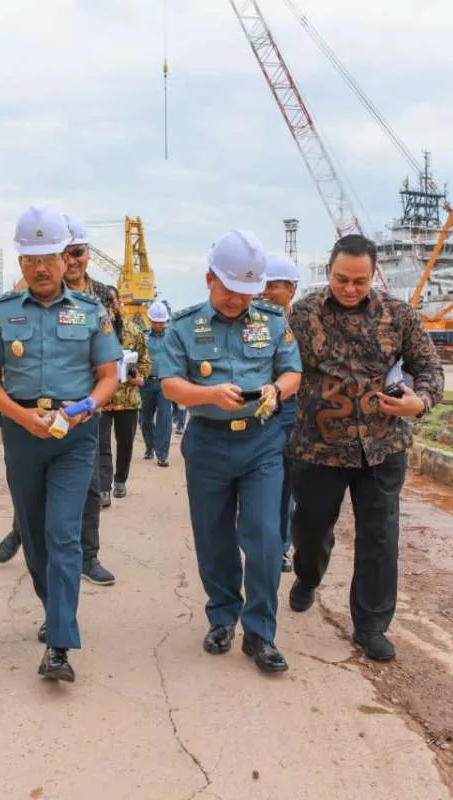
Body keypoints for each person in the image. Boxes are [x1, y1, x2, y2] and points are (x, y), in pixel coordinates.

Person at [0, 204, 121, 682]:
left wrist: (83, 409)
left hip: (73, 435)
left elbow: (108, 376)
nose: (41, 267)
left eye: (49, 256)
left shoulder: (92, 312)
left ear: (65, 257)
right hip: (22, 433)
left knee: (63, 534)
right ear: (21, 262)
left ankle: (60, 642)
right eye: (30, 258)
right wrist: (20, 417)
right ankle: (51, 604)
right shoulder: (1, 314)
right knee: (35, 537)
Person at [286, 234, 444, 662]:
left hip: (382, 446)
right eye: (341, 279)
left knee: (380, 535)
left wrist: (420, 401)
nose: (350, 289)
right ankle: (308, 575)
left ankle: (371, 625)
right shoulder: (303, 315)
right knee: (312, 527)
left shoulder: (398, 316)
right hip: (318, 448)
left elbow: (428, 367)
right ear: (329, 271)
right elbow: (281, 367)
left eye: (359, 280)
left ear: (373, 275)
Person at [157, 229, 302, 674]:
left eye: (246, 292)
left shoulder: (273, 321)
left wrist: (276, 390)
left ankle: (261, 633)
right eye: (230, 290)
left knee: (264, 536)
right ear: (209, 280)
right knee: (213, 535)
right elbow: (169, 383)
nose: (239, 300)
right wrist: (208, 395)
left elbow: (292, 371)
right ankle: (222, 615)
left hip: (261, 443)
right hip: (208, 443)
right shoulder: (183, 326)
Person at [0, 214, 119, 587]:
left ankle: (88, 555)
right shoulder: (26, 286)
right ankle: (23, 531)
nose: (74, 259)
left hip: (87, 405)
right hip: (31, 411)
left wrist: (91, 403)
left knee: (87, 485)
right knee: (31, 487)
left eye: (77, 252)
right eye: (69, 252)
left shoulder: (103, 297)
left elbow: (113, 355)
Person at [260, 255, 300, 572]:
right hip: (257, 411)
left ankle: (282, 547)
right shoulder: (254, 321)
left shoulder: (305, 326)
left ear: (292, 289)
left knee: (286, 484)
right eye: (263, 284)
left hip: (292, 413)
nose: (266, 291)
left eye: (274, 285)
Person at [98, 285, 150, 500]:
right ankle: (103, 488)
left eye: (112, 303)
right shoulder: (93, 332)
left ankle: (120, 480)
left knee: (125, 443)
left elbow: (145, 360)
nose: (109, 308)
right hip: (100, 399)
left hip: (127, 398)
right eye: (104, 304)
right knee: (101, 445)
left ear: (119, 304)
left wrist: (140, 377)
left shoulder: (133, 331)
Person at [139, 301, 174, 467]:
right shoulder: (143, 337)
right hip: (146, 383)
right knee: (145, 418)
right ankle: (149, 446)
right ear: (150, 321)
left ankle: (162, 454)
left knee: (165, 417)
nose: (159, 325)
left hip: (165, 383)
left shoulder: (172, 337)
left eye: (162, 322)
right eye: (156, 322)